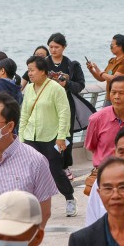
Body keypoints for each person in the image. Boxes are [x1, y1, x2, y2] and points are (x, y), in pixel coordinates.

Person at [0, 91, 60, 224]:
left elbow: (44, 211)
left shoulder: (35, 161)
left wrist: (30, 242)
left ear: (10, 126)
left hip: (19, 242)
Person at [20, 55, 76, 216]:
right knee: (30, 172)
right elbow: (24, 114)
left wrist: (61, 136)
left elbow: (64, 113)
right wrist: (21, 137)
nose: (29, 73)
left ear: (43, 71)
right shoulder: (29, 89)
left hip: (52, 136)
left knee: (55, 170)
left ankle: (69, 198)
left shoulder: (56, 88)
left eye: (32, 70)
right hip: (31, 136)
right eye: (28, 70)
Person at [46, 33, 87, 177]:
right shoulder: (44, 64)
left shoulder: (72, 65)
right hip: (47, 105)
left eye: (56, 47)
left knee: (65, 135)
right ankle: (50, 165)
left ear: (64, 47)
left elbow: (80, 85)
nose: (53, 50)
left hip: (66, 105)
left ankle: (64, 166)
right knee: (48, 134)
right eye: (50, 47)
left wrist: (67, 84)